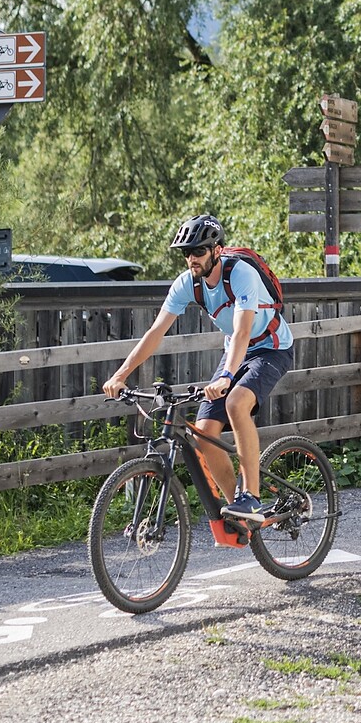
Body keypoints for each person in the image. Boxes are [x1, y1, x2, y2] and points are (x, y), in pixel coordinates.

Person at [100, 214, 291, 526]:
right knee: (203, 434)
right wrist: (121, 375)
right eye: (186, 253)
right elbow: (155, 333)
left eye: (198, 251)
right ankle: (238, 513)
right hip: (236, 353)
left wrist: (227, 376)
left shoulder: (241, 274)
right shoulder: (188, 283)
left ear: (216, 250)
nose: (192, 258)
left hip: (271, 348)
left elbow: (243, 332)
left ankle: (252, 498)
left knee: (235, 403)